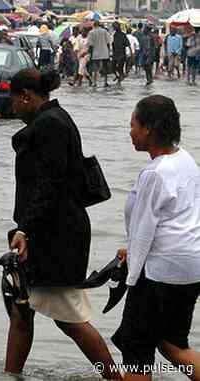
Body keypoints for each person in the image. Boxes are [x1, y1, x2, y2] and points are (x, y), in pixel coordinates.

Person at [5, 68, 123, 381]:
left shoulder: (50, 125)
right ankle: (9, 375)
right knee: (21, 309)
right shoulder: (51, 119)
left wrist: (25, 230)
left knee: (68, 318)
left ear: (27, 96)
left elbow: (49, 184)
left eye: (14, 100)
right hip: (45, 229)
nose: (12, 107)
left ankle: (116, 378)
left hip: (54, 235)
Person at [112, 95, 200, 381]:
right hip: (190, 265)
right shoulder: (184, 159)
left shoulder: (155, 174)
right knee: (172, 343)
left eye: (133, 125)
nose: (130, 132)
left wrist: (131, 278)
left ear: (148, 129)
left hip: (160, 272)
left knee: (136, 347)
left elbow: (143, 231)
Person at [87, 21, 111, 87]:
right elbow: (108, 42)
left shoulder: (91, 32)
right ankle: (105, 82)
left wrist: (90, 54)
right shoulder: (104, 31)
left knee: (95, 68)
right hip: (104, 52)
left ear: (94, 25)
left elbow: (90, 45)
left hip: (95, 53)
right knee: (105, 68)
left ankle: (95, 83)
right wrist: (108, 52)